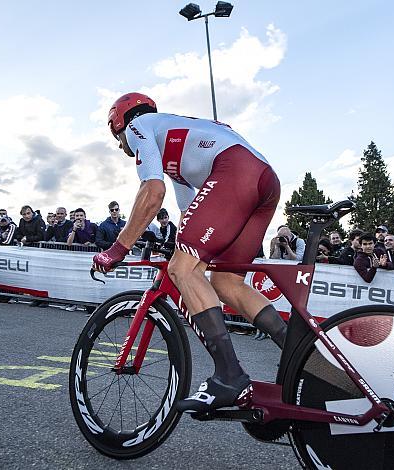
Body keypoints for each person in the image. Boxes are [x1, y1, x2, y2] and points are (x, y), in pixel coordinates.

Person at [92, 92, 284, 413]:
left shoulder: (139, 128)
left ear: (119, 123)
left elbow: (152, 192)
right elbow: (188, 208)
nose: (121, 146)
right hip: (262, 178)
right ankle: (298, 348)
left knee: (184, 270)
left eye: (117, 139)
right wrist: (179, 241)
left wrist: (118, 248)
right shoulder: (173, 139)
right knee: (226, 283)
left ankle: (230, 376)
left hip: (234, 172)